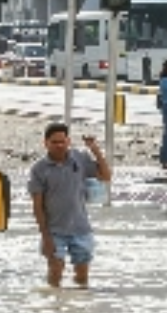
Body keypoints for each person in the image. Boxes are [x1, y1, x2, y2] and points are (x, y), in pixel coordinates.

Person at [27, 122, 113, 288]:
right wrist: (45, 237)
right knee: (55, 271)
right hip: (54, 230)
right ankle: (55, 304)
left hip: (80, 228)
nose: (59, 146)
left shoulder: (79, 158)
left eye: (62, 141)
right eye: (54, 142)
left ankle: (78, 306)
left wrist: (95, 150)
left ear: (68, 141)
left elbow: (106, 176)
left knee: (82, 275)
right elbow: (37, 206)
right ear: (45, 143)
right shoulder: (39, 169)